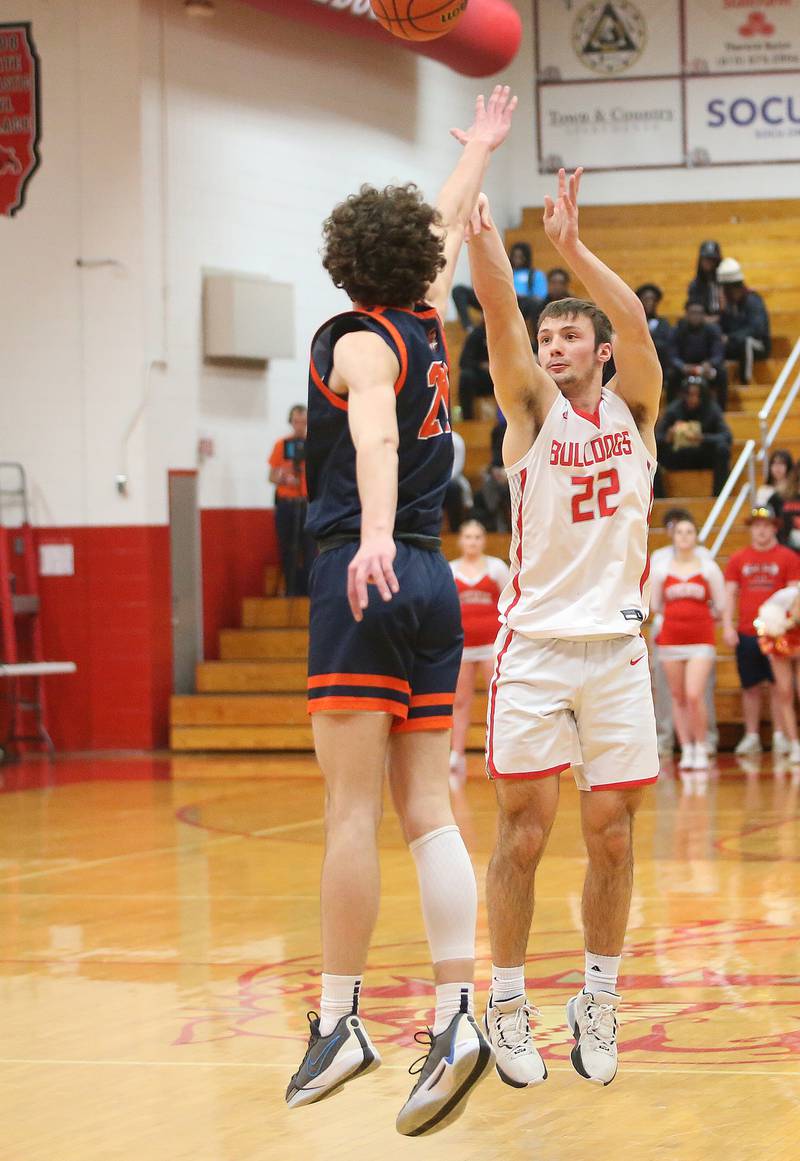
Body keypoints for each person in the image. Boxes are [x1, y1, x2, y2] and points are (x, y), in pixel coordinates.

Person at [286, 86, 517, 1136]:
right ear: (417, 262)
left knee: (347, 813)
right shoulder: (427, 315)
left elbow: (372, 434)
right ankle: (456, 1013)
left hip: (367, 570)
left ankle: (339, 1022)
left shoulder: (358, 338)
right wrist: (474, 152)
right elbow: (439, 219)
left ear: (343, 267)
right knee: (428, 809)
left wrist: (371, 531)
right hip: (432, 583)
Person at [463, 168, 661, 1089]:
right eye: (550, 333)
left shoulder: (638, 407)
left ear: (600, 352)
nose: (554, 342)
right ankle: (506, 1000)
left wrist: (576, 248)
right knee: (524, 836)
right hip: (537, 648)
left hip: (617, 647)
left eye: (570, 332)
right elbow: (502, 321)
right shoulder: (531, 410)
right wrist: (484, 242)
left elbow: (640, 329)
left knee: (613, 836)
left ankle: (599, 997)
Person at [650, 516, 725, 775]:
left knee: (694, 694)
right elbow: (655, 605)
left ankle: (701, 745)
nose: (684, 536)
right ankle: (687, 748)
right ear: (673, 536)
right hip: (671, 639)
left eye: (689, 531)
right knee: (677, 697)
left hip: (701, 639)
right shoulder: (661, 569)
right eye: (679, 532)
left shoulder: (708, 568)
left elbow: (721, 604)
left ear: (696, 536)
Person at [723, 507, 800, 759]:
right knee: (750, 687)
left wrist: (785, 626)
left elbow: (793, 597)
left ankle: (781, 735)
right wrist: (726, 625)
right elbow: (730, 593)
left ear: (774, 527)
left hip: (779, 634)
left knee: (781, 687)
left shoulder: (788, 557)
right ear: (751, 529)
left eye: (766, 525)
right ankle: (752, 735)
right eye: (757, 525)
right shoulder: (738, 558)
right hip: (747, 631)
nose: (762, 529)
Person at [448, 520, 510, 787]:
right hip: (462, 646)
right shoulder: (450, 570)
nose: (472, 541)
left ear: (483, 540)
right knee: (460, 701)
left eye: (477, 536)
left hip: (491, 644)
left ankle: (500, 753)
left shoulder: (496, 567)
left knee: (497, 699)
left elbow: (509, 601)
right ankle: (456, 754)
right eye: (468, 536)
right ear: (460, 541)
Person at [655, 378, 732, 497]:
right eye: (689, 394)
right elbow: (656, 438)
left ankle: (719, 496)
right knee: (653, 454)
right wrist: (667, 437)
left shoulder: (712, 409)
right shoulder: (673, 409)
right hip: (679, 456)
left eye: (697, 395)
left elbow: (727, 436)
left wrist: (702, 438)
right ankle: (660, 498)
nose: (692, 399)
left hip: (703, 456)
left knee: (722, 449)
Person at [268, 404, 315, 596]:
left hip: (307, 503)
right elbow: (271, 476)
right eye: (296, 422)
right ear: (291, 422)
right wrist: (284, 478)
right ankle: (291, 590)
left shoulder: (314, 444)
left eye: (304, 422)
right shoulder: (282, 445)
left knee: (310, 550)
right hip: (286, 503)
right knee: (288, 548)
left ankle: (309, 590)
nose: (300, 426)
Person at [452, 241, 546, 331]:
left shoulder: (535, 274)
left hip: (518, 304)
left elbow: (539, 298)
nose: (517, 259)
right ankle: (469, 327)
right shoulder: (503, 272)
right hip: (496, 300)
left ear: (527, 258)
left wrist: (517, 295)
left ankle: (537, 337)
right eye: (514, 256)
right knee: (458, 290)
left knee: (534, 303)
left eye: (520, 257)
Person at [754, 583, 800, 766]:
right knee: (785, 691)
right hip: (780, 642)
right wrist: (778, 628)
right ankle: (794, 744)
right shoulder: (785, 596)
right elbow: (765, 617)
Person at [717, 257, 771, 385]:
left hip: (758, 344)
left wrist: (730, 338)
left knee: (746, 342)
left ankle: (745, 380)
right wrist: (723, 312)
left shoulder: (753, 301)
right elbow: (726, 328)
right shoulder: (729, 305)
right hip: (736, 343)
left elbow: (756, 329)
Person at [667, 299, 728, 409]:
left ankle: (721, 409)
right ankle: (670, 410)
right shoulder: (677, 330)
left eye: (699, 313)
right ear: (686, 314)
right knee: (671, 375)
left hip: (706, 367)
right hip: (684, 367)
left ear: (704, 315)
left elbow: (718, 353)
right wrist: (682, 366)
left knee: (722, 373)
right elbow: (672, 354)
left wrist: (710, 363)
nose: (695, 316)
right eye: (692, 313)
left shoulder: (713, 330)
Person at [636, 283, 673, 384]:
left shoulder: (663, 323)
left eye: (652, 299)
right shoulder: (633, 322)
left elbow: (668, 345)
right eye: (646, 299)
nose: (649, 302)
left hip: (659, 364)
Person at [457, 317, 494, 419]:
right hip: (481, 377)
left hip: (502, 377)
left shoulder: (507, 334)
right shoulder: (476, 335)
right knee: (465, 377)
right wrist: (482, 365)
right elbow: (463, 362)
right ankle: (467, 418)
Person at [444, 429, 473, 531]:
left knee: (453, 488)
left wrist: (439, 481)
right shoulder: (427, 437)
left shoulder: (456, 439)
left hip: (452, 479)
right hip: (429, 481)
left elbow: (457, 467)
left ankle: (456, 528)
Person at [687, 240, 723, 320]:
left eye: (712, 259)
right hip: (703, 324)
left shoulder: (726, 282)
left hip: (726, 322)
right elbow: (692, 309)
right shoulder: (695, 285)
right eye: (706, 259)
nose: (709, 262)